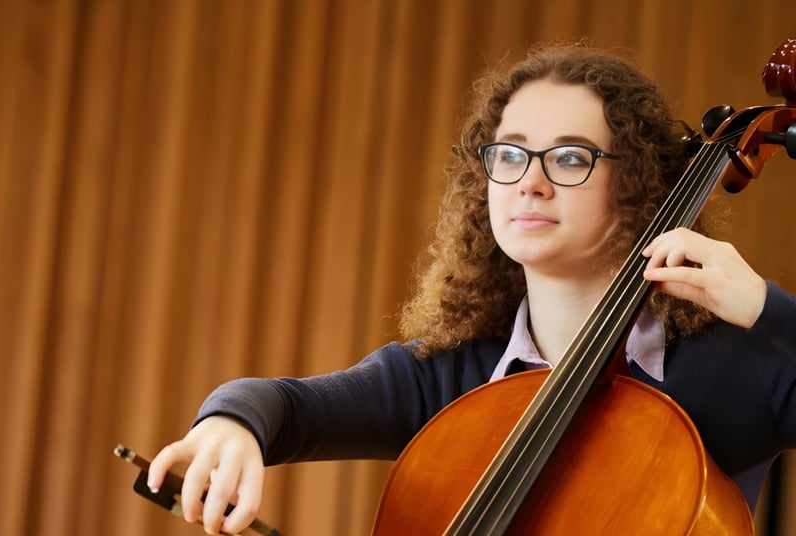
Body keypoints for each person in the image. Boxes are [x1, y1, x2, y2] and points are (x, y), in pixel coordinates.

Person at [148, 41, 796, 534]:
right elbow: (286, 407)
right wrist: (231, 425)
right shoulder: (454, 379)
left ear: (641, 187)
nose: (529, 182)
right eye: (510, 154)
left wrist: (772, 312)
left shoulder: (736, 366)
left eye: (570, 157)